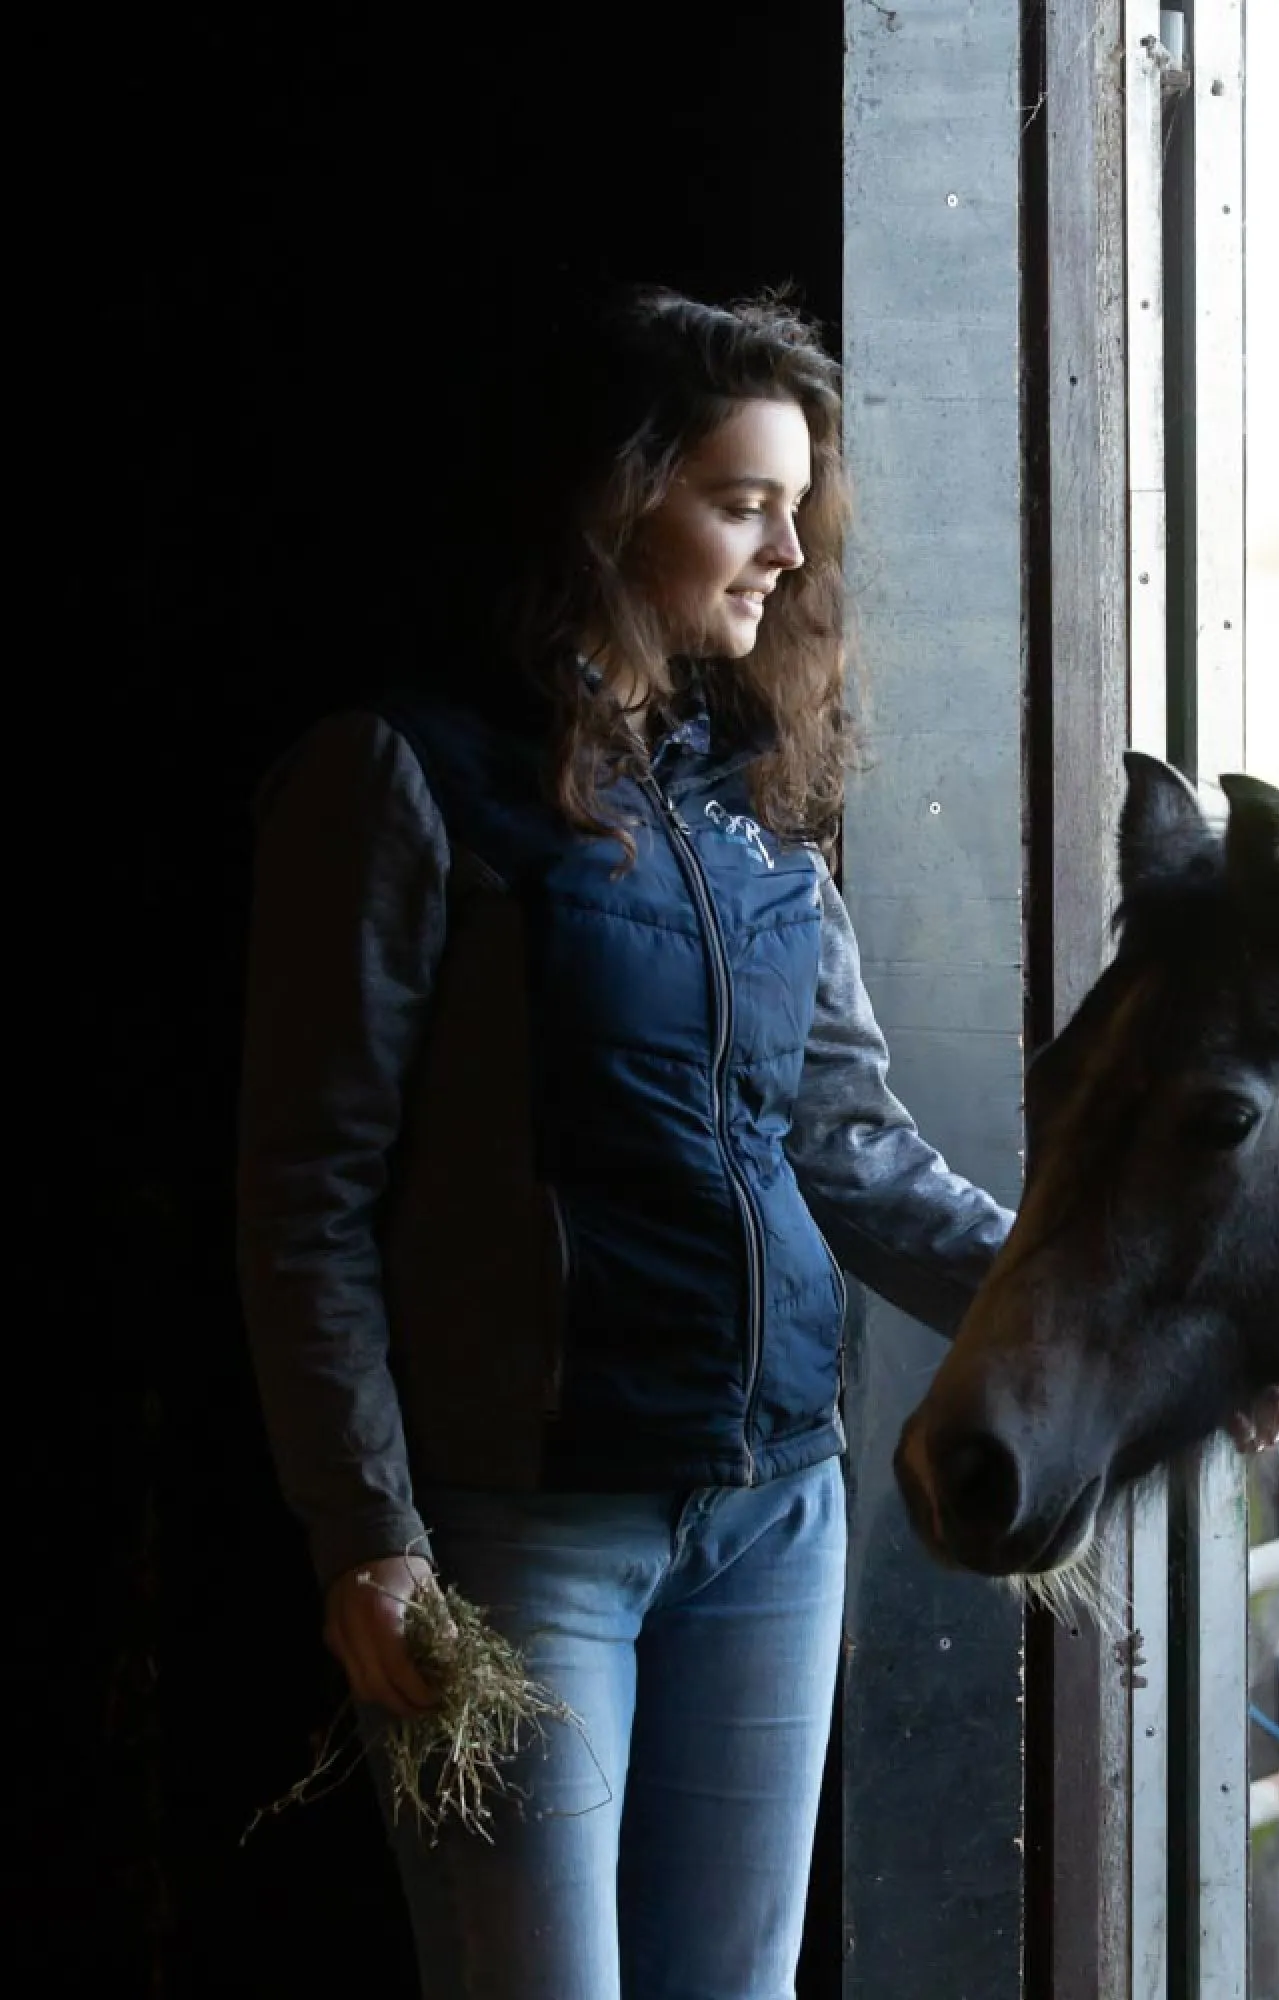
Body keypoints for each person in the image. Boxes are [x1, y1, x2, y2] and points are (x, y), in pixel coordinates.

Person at [235, 284, 1016, 1999]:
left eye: (798, 511)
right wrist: (367, 1533)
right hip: (523, 1538)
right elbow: (311, 1204)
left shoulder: (759, 806)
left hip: (776, 1512)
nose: (786, 554)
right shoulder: (402, 781)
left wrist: (1091, 1310)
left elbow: (855, 1148)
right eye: (743, 503)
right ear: (611, 508)